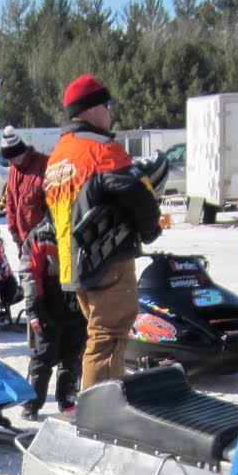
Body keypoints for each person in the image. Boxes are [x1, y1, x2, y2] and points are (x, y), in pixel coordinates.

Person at [44, 74, 162, 389]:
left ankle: (101, 402)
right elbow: (136, 192)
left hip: (73, 264)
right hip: (107, 259)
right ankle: (101, 410)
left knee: (99, 335)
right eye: (107, 105)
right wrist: (150, 228)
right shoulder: (102, 149)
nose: (111, 113)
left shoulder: (59, 155)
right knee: (108, 337)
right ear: (91, 109)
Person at [19, 215, 85, 417]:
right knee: (43, 355)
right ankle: (32, 402)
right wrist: (34, 307)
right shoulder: (41, 234)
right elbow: (29, 273)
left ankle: (67, 400)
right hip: (47, 302)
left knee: (72, 357)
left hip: (78, 300)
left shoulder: (83, 227)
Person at [0, 126, 48, 258]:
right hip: (23, 238)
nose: (9, 163)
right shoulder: (14, 170)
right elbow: (10, 201)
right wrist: (13, 230)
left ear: (19, 153)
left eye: (10, 158)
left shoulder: (43, 165)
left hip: (43, 237)